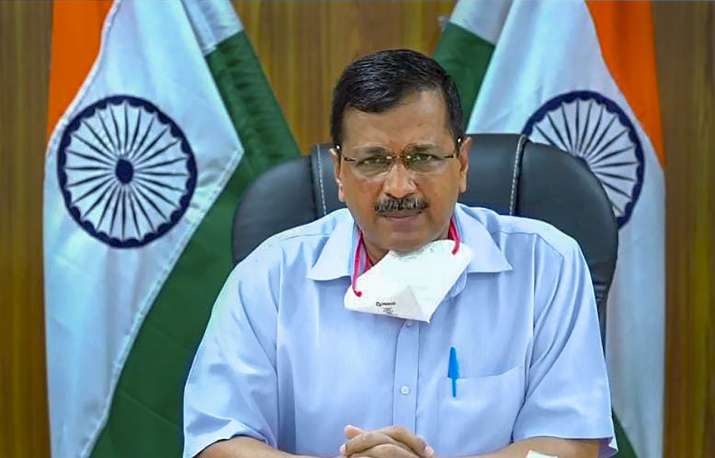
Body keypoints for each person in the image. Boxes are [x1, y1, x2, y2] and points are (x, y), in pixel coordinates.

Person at [183, 49, 616, 458]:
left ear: (462, 164)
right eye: (373, 161)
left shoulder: (546, 265)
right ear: (339, 172)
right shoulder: (270, 275)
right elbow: (218, 443)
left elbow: (570, 446)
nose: (399, 187)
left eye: (422, 157)